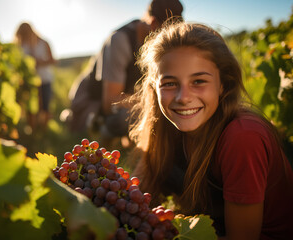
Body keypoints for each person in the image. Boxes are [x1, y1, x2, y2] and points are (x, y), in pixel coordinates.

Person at [128, 21, 293, 239]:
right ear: (154, 88)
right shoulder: (167, 128)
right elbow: (133, 202)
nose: (183, 98)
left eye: (198, 81)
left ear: (223, 83)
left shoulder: (243, 137)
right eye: (169, 83)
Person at [66, 0, 183, 148]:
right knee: (145, 112)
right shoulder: (120, 40)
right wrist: (155, 100)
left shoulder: (150, 40)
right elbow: (110, 102)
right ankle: (104, 131)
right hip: (90, 102)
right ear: (153, 24)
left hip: (117, 99)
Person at [15, 22, 56, 132]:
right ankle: (32, 130)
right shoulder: (21, 45)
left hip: (44, 79)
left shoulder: (43, 43)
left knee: (45, 106)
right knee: (31, 107)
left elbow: (53, 60)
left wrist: (38, 62)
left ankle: (44, 131)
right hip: (28, 81)